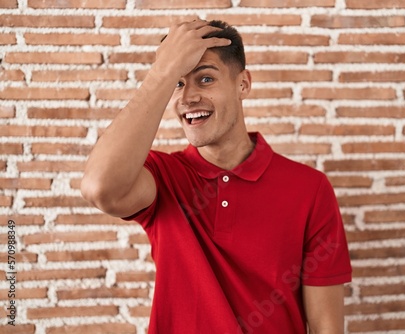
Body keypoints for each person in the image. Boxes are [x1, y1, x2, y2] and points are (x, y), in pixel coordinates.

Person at [81, 19, 352, 334]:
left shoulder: (310, 188)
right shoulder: (162, 177)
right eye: (178, 84)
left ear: (243, 84)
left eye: (205, 78)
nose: (188, 98)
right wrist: (162, 72)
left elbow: (326, 326)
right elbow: (100, 187)